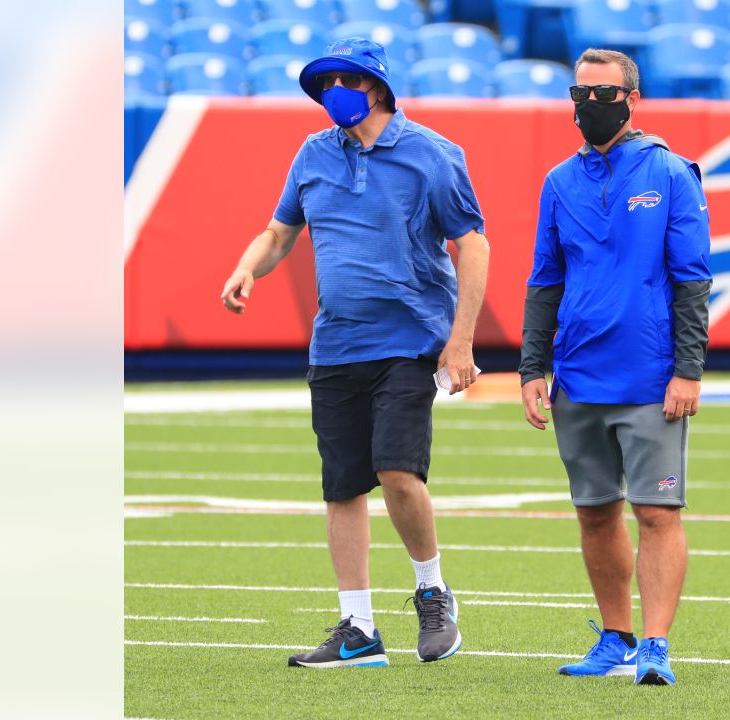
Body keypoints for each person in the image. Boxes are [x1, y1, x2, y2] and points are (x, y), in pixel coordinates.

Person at [219, 37, 490, 669]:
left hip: (408, 338)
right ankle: (359, 629)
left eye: (346, 79)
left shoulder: (433, 154)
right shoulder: (313, 153)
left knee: (397, 470)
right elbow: (281, 230)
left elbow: (472, 244)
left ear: (377, 86)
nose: (332, 91)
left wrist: (461, 339)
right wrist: (246, 268)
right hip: (336, 341)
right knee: (342, 487)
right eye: (325, 82)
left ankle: (432, 589)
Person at [518, 48, 712, 686]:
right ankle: (616, 638)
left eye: (604, 95)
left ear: (633, 99)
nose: (590, 107)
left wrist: (688, 369)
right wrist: (531, 367)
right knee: (595, 511)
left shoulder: (672, 173)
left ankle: (655, 646)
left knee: (657, 513)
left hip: (651, 377)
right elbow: (545, 281)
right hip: (577, 376)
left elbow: (692, 281)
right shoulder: (557, 182)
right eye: (580, 96)